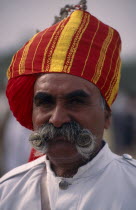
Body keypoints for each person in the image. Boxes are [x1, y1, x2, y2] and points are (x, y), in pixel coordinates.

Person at [0, 2, 136, 210]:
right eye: (45, 102)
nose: (57, 118)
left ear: (107, 115)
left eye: (76, 101)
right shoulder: (9, 191)